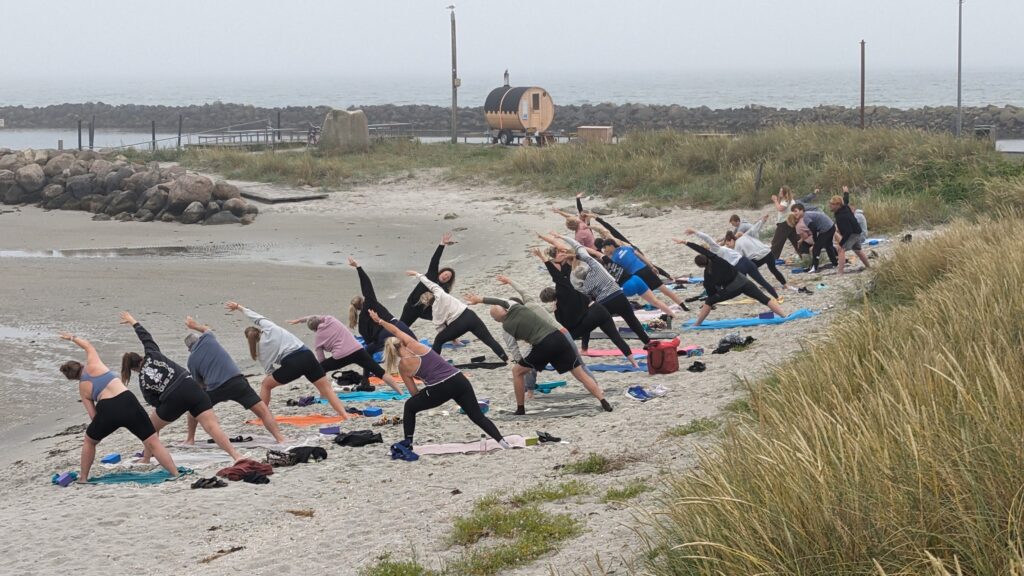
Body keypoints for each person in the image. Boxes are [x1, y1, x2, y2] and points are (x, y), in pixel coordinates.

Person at [464, 278, 613, 415]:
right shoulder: (517, 306)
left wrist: (522, 363)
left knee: (517, 372)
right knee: (580, 373)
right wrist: (480, 299)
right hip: (559, 338)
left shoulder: (506, 328)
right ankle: (603, 401)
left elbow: (515, 351)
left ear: (497, 320)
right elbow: (501, 300)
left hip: (543, 345)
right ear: (506, 309)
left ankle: (520, 408)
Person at [372, 309, 508, 456]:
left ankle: (408, 443)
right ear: (401, 342)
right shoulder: (414, 345)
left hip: (440, 389)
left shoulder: (403, 367)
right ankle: (502, 442)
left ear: (390, 353)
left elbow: (414, 393)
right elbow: (396, 330)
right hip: (459, 379)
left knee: (410, 406)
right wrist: (380, 321)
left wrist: (422, 382)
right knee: (477, 416)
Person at [118, 311, 244, 464]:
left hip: (173, 400)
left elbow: (155, 402)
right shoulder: (153, 353)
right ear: (141, 357)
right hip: (191, 387)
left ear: (132, 369)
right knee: (211, 426)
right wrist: (132, 321)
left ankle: (146, 458)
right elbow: (145, 336)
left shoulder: (143, 382)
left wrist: (163, 409)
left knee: (150, 427)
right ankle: (236, 455)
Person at [58, 332, 179, 483]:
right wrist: (72, 338)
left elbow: (93, 416)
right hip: (128, 401)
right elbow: (88, 346)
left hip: (108, 409)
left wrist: (103, 426)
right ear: (80, 364)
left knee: (89, 442)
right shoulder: (94, 364)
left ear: (73, 378)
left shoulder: (83, 389)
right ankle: (175, 473)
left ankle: (83, 478)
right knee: (153, 441)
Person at [224, 302, 353, 420]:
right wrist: (239, 307)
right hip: (307, 355)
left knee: (266, 385)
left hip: (292, 364)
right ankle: (344, 414)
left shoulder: (259, 351)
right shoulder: (269, 327)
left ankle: (262, 416)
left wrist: (279, 373)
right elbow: (255, 316)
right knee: (327, 389)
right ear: (259, 330)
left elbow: (270, 371)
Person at [183, 316, 286, 444]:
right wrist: (194, 325)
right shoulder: (209, 339)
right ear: (199, 339)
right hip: (237, 381)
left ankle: (190, 439)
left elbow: (200, 385)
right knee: (263, 410)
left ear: (189, 349)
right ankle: (280, 438)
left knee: (193, 410)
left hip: (215, 388)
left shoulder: (191, 360)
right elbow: (206, 329)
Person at [537, 232, 652, 346]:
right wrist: (562, 237)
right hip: (616, 294)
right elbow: (577, 246)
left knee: (606, 329)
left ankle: (583, 346)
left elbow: (580, 292)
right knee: (632, 321)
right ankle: (648, 343)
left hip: (602, 302)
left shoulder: (573, 276)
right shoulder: (591, 262)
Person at [532, 247, 638, 367]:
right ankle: (634, 363)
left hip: (590, 319)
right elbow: (556, 275)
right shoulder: (565, 287)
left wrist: (556, 312)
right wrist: (543, 258)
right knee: (616, 338)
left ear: (550, 300)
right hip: (599, 309)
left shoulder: (560, 305)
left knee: (567, 337)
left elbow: (567, 326)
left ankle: (573, 362)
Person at [287, 313, 405, 394]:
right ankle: (399, 391)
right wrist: (301, 320)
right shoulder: (330, 319)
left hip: (341, 357)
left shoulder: (318, 338)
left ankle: (325, 393)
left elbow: (321, 360)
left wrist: (325, 364)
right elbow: (316, 316)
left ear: (313, 330)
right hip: (358, 350)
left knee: (320, 369)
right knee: (380, 372)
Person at [408, 270, 508, 361]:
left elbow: (441, 328)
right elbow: (429, 283)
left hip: (459, 324)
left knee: (438, 340)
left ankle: (434, 363)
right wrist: (417, 274)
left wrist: (453, 339)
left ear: (426, 304)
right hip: (470, 315)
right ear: (432, 295)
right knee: (489, 340)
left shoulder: (435, 313)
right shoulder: (440, 293)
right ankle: (505, 358)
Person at [680, 243, 786, 327]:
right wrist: (686, 242)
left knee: (709, 301)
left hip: (732, 289)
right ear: (707, 257)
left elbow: (711, 292)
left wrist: (714, 298)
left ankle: (697, 323)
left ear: (700, 266)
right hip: (744, 281)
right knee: (764, 298)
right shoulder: (717, 259)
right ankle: (783, 315)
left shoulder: (708, 275)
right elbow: (702, 250)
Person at [593, 229, 689, 311]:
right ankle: (682, 305)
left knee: (652, 296)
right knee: (663, 289)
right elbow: (641, 257)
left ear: (611, 246)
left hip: (637, 275)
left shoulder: (613, 259)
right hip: (644, 268)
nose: (604, 250)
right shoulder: (627, 248)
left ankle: (665, 309)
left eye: (605, 247)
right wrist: (651, 266)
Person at [347, 257, 416, 362]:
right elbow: (367, 286)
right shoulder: (370, 302)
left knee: (367, 352)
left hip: (383, 337)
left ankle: (367, 376)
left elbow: (368, 340)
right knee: (415, 345)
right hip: (397, 326)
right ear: (363, 300)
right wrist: (358, 267)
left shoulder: (361, 321)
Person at [684, 229, 780, 299]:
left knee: (744, 286)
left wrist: (694, 232)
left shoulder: (714, 253)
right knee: (762, 281)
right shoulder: (719, 248)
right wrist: (694, 232)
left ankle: (715, 297)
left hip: (738, 267)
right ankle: (777, 297)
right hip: (746, 262)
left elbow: (707, 238)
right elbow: (708, 239)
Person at [399, 232, 456, 328]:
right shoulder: (431, 275)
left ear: (448, 281)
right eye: (445, 274)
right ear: (441, 273)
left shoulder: (444, 290)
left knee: (445, 320)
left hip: (427, 311)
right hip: (411, 307)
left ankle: (454, 339)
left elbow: (442, 304)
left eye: (448, 277)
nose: (446, 277)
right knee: (402, 327)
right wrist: (442, 244)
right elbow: (435, 259)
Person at [728, 214, 792, 291]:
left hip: (759, 257)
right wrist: (762, 220)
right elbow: (755, 228)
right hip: (768, 252)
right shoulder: (746, 235)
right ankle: (785, 285)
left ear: (732, 240)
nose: (729, 246)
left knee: (746, 269)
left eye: (728, 244)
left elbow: (738, 260)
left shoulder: (737, 245)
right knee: (773, 269)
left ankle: (744, 286)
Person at [829, 186, 870, 275]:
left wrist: (841, 243)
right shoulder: (845, 207)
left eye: (832, 204)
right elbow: (846, 201)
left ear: (837, 205)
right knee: (858, 250)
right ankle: (869, 266)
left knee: (841, 249)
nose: (830, 205)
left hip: (852, 234)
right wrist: (846, 193)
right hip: (857, 232)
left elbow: (848, 231)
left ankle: (840, 272)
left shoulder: (841, 216)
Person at [770, 186, 818, 259]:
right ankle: (804, 254)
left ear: (785, 192)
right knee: (796, 240)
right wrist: (778, 199)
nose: (779, 193)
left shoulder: (787, 201)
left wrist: (775, 200)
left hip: (784, 223)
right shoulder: (788, 200)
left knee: (777, 241)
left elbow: (780, 208)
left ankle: (772, 258)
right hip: (790, 222)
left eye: (781, 191)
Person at [791, 203, 838, 273]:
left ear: (801, 210)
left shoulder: (805, 217)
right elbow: (814, 228)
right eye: (793, 212)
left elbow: (814, 228)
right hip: (831, 226)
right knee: (828, 246)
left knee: (816, 248)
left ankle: (814, 267)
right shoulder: (806, 215)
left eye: (795, 211)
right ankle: (835, 263)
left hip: (826, 228)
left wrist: (815, 240)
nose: (794, 213)